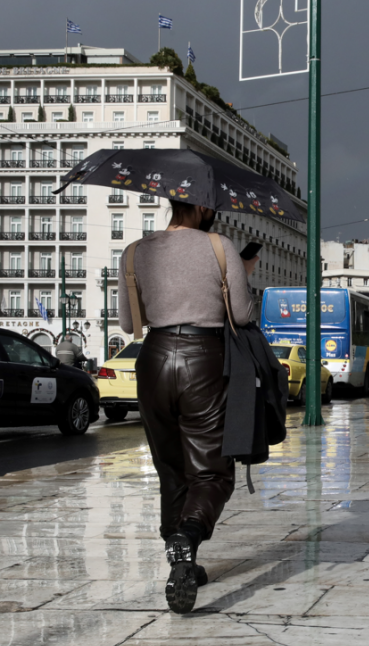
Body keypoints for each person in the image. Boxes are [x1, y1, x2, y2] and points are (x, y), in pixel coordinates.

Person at [118, 199, 259, 614]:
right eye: (211, 204)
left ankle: (181, 560)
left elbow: (129, 324)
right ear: (199, 206)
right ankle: (188, 537)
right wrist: (241, 278)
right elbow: (242, 314)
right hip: (204, 360)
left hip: (154, 359)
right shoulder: (220, 247)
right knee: (212, 471)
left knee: (170, 467)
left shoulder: (135, 252)